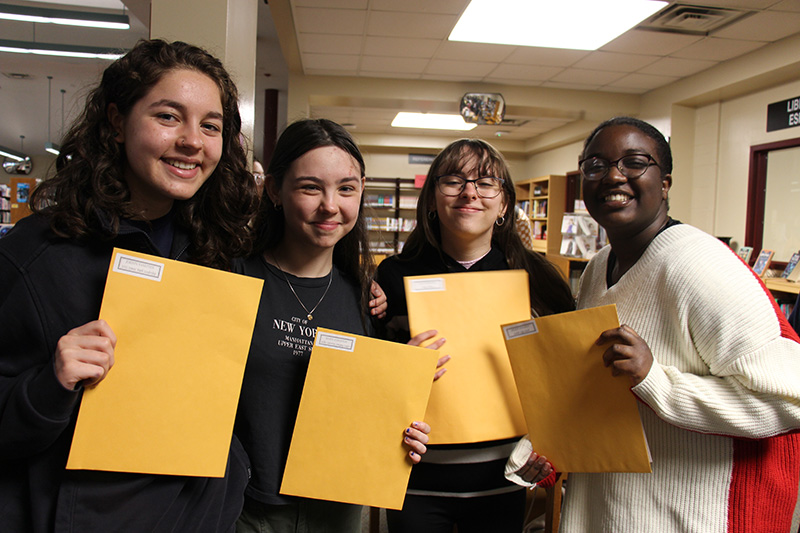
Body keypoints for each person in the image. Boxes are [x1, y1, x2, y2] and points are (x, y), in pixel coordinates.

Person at [0, 39, 258, 532]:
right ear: (116, 123)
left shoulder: (218, 254)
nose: (192, 141)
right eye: (167, 116)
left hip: (197, 515)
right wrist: (50, 383)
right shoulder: (38, 255)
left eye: (211, 126)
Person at [508, 116, 800, 532]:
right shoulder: (596, 269)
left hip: (691, 513)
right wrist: (552, 446)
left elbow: (789, 400)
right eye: (596, 165)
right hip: (610, 507)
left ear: (664, 183)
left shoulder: (700, 266)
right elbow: (598, 389)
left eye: (634, 162)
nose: (613, 176)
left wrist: (655, 379)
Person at [233, 118, 442, 533]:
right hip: (244, 507)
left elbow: (363, 407)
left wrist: (404, 424)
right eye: (311, 187)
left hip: (339, 506)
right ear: (274, 190)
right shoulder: (232, 279)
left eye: (346, 188)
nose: (331, 205)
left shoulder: (366, 298)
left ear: (361, 190)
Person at [375, 138, 575, 533]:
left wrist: (548, 445)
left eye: (486, 183)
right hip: (414, 478)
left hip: (502, 480)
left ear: (504, 204)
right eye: (453, 180)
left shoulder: (538, 280)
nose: (469, 192)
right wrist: (402, 364)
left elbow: (564, 378)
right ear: (432, 198)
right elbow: (369, 381)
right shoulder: (394, 277)